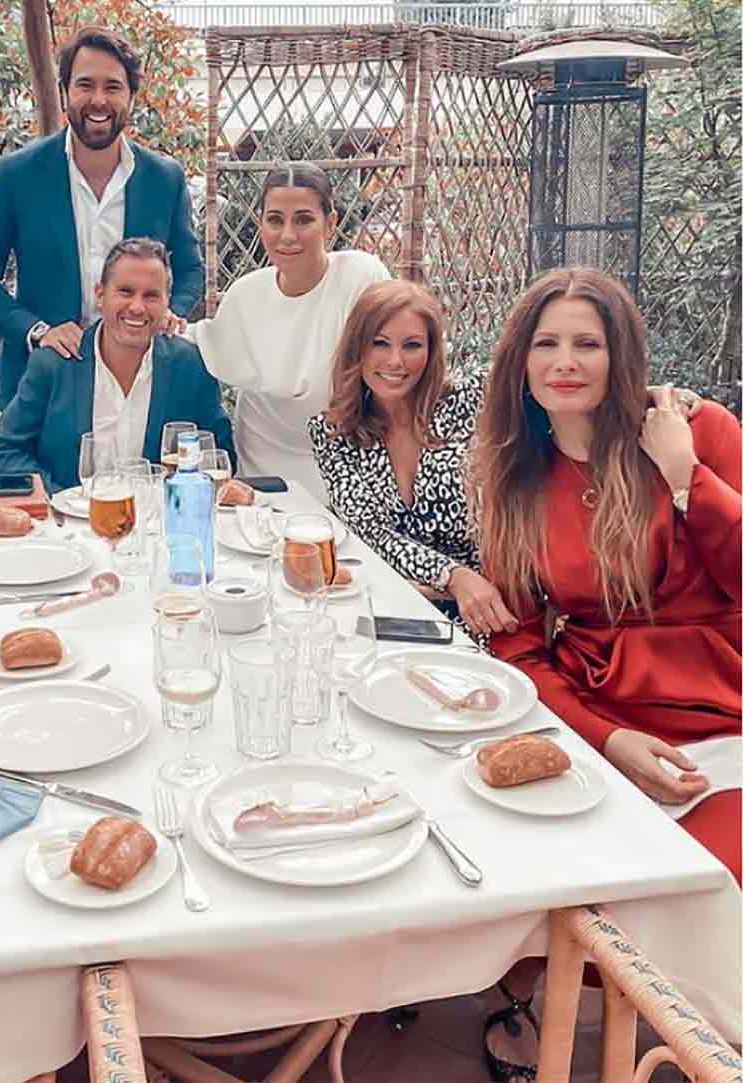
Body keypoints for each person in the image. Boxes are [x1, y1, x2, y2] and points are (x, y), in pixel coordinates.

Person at [471, 267, 741, 1082]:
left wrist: (690, 479)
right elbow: (517, 645)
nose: (565, 360)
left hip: (720, 707)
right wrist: (607, 737)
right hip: (602, 716)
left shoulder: (696, 431)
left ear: (619, 354)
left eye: (587, 342)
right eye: (546, 342)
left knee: (708, 882)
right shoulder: (514, 473)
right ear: (519, 361)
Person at [0, 27, 204, 409]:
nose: (98, 100)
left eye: (113, 87)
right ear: (65, 91)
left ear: (131, 98)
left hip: (139, 382)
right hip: (43, 386)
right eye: (85, 85)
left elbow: (190, 270)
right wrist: (38, 332)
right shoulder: (17, 175)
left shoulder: (163, 178)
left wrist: (169, 314)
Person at [308, 280, 517, 637]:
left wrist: (647, 399)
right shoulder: (333, 433)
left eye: (412, 345)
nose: (395, 361)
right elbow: (372, 534)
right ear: (357, 348)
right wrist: (452, 576)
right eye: (379, 343)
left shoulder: (472, 400)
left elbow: (549, 375)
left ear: (432, 351)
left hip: (488, 607)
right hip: (389, 607)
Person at [186, 163, 388, 503]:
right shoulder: (246, 294)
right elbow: (202, 342)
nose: (288, 235)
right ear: (261, 222)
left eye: (304, 219)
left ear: (331, 223)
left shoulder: (361, 278)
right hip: (263, 475)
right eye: (275, 220)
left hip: (349, 469)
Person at [0, 238, 233, 490]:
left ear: (166, 302)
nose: (137, 307)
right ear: (100, 295)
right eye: (125, 292)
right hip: (68, 523)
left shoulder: (189, 366)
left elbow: (219, 455)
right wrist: (58, 499)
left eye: (151, 296)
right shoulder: (54, 363)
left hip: (156, 522)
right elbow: (7, 450)